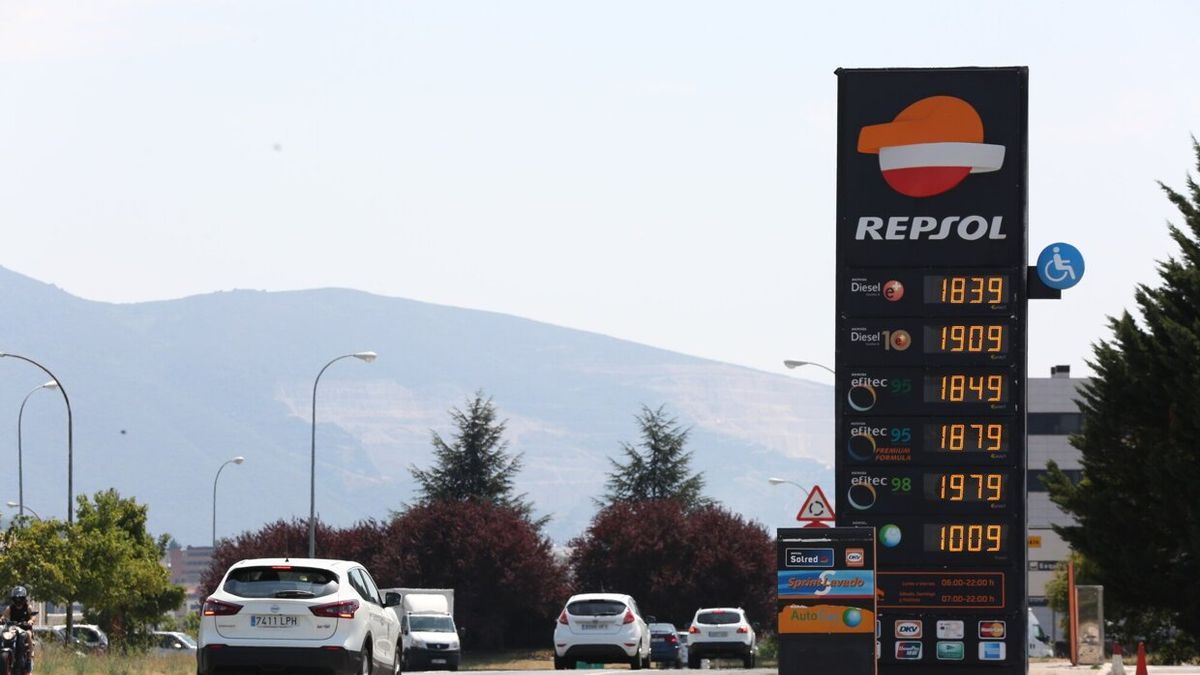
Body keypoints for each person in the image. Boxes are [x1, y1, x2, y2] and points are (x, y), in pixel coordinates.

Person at [1, 586, 37, 674]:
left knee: (28, 634)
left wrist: (31, 621)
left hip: (25, 628)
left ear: (24, 598)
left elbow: (33, 616)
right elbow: (3, 616)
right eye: (16, 598)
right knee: (3, 634)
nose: (18, 600)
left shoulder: (28, 607)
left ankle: (29, 658)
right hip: (12, 628)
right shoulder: (10, 608)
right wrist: (1, 619)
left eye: (20, 598)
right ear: (13, 599)